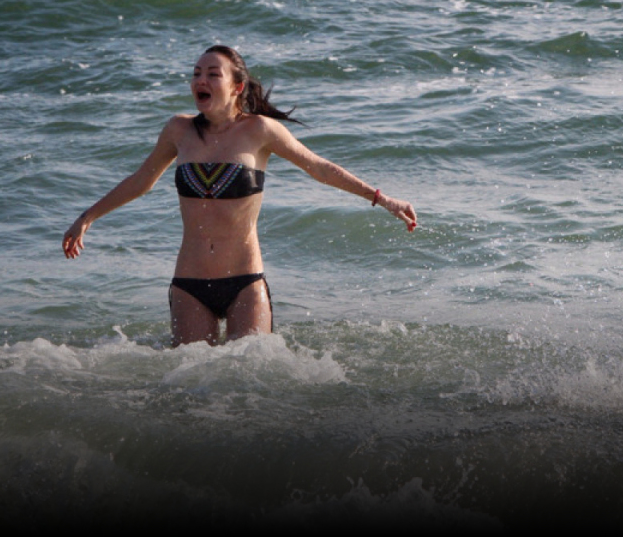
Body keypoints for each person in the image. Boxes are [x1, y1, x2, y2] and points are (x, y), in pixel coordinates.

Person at [63, 45, 417, 347]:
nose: (200, 80)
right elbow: (141, 180)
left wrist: (383, 199)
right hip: (189, 284)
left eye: (212, 74)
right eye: (196, 74)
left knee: (250, 385)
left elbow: (319, 168)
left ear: (237, 87)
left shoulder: (260, 130)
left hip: (245, 282)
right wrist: (86, 218)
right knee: (190, 386)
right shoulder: (178, 131)